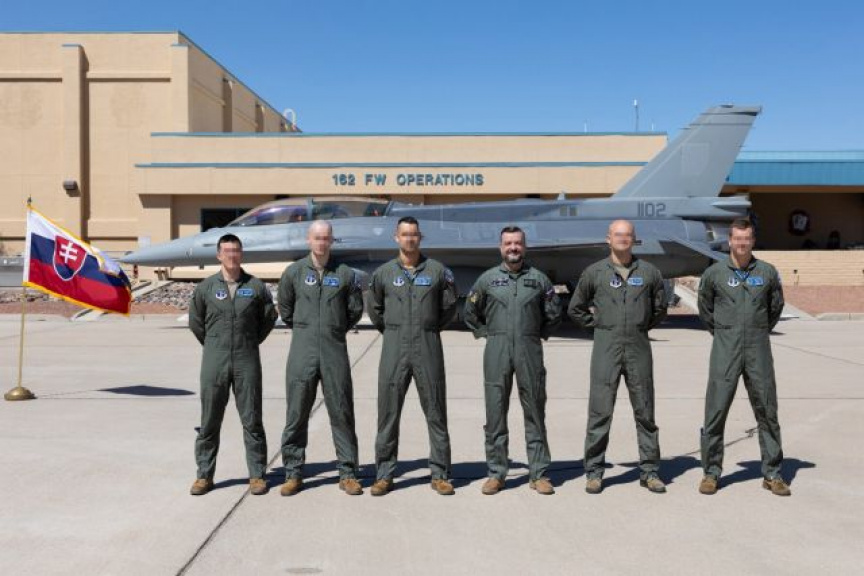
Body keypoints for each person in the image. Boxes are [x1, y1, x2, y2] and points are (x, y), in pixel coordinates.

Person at [568, 220, 667, 494]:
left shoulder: (649, 272)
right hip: (606, 348)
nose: (623, 239)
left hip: (638, 347)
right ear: (608, 239)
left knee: (645, 411)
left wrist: (639, 326)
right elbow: (576, 308)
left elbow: (660, 308)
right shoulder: (594, 272)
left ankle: (650, 472)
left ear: (634, 239)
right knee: (600, 412)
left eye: (628, 235)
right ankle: (594, 472)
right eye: (618, 234)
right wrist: (600, 327)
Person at [464, 226, 561, 495]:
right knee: (495, 413)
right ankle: (496, 473)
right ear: (501, 247)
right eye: (508, 243)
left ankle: (539, 473)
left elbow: (554, 313)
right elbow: (470, 312)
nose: (513, 248)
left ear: (524, 247)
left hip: (529, 350)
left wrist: (537, 334)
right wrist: (487, 333)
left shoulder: (539, 280)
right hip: (497, 350)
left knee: (535, 412)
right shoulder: (487, 280)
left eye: (517, 243)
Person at [697, 218, 790, 496]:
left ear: (753, 241)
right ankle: (711, 473)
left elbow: (775, 307)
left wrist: (758, 331)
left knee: (767, 410)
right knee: (716, 410)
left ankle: (772, 473)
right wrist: (725, 333)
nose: (742, 243)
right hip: (725, 348)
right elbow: (705, 309)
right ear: (729, 241)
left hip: (758, 349)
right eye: (737, 238)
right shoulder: (714, 273)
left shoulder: (767, 272)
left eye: (746, 238)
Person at [368, 216, 458, 496]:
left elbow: (449, 308)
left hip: (428, 346)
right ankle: (384, 475)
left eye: (414, 234)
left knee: (436, 411)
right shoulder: (383, 273)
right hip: (394, 347)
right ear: (396, 237)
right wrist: (394, 331)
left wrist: (427, 329)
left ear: (420, 237)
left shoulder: (438, 271)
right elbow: (375, 310)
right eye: (405, 234)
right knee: (388, 413)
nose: (409, 239)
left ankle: (440, 474)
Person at [277, 220, 365, 496]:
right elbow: (286, 310)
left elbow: (354, 310)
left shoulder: (345, 274)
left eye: (326, 238)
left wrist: (332, 329)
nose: (321, 242)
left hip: (333, 350)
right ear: (309, 240)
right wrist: (307, 329)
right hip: (302, 350)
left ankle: (348, 473)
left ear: (331, 241)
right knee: (296, 412)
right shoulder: (293, 273)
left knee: (342, 411)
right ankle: (293, 473)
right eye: (317, 237)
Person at [188, 233, 277, 496]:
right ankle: (204, 475)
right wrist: (215, 344)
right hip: (214, 360)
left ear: (241, 254)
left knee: (252, 418)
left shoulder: (256, 287)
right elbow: (196, 322)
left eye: (236, 250)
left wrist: (248, 341)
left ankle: (257, 475)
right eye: (227, 251)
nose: (231, 255)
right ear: (219, 255)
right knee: (209, 420)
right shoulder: (205, 288)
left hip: (246, 359)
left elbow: (268, 319)